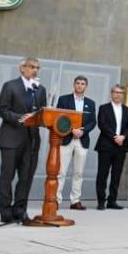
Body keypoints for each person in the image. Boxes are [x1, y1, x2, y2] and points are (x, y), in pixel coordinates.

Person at [0, 57, 47, 223]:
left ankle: (20, 210)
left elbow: (42, 113)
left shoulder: (40, 90)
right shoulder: (10, 86)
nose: (35, 70)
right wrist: (20, 118)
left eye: (37, 68)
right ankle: (6, 212)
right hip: (11, 138)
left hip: (31, 141)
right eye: (32, 67)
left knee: (26, 177)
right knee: (7, 176)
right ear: (22, 68)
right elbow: (2, 110)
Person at [55, 75, 96, 211]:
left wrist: (82, 131)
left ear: (86, 86)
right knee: (61, 172)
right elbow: (59, 117)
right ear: (74, 85)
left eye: (83, 84)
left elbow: (92, 122)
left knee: (78, 173)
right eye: (78, 83)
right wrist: (72, 130)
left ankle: (75, 201)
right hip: (66, 139)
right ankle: (56, 199)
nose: (80, 86)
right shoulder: (63, 99)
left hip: (82, 140)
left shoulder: (90, 103)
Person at [94, 84, 128, 210]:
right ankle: (101, 201)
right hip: (106, 145)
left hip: (121, 146)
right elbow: (102, 124)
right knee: (102, 174)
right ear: (112, 93)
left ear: (123, 95)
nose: (118, 94)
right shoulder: (104, 108)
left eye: (120, 93)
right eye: (115, 92)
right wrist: (114, 137)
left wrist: (122, 137)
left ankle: (112, 201)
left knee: (116, 175)